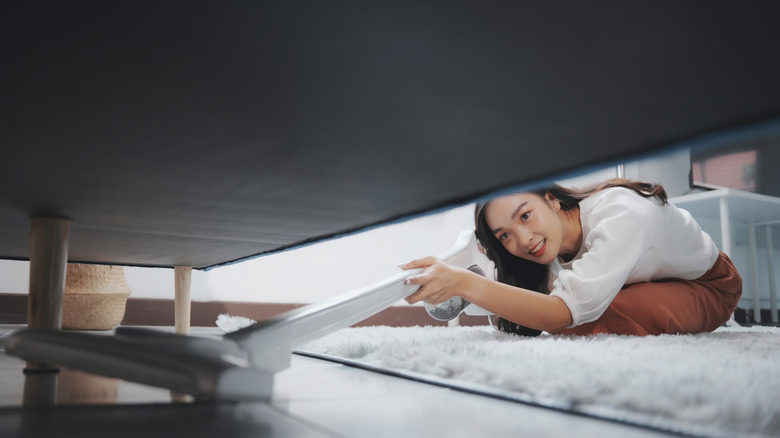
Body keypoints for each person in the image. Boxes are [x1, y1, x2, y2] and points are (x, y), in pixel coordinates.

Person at [401, 178, 742, 336]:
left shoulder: (621, 215)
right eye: (505, 235)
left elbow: (560, 315)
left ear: (551, 199)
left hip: (707, 286)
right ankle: (480, 295)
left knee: (587, 317)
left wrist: (465, 282)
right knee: (541, 303)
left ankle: (478, 293)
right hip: (643, 281)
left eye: (525, 216)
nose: (524, 240)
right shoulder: (550, 243)